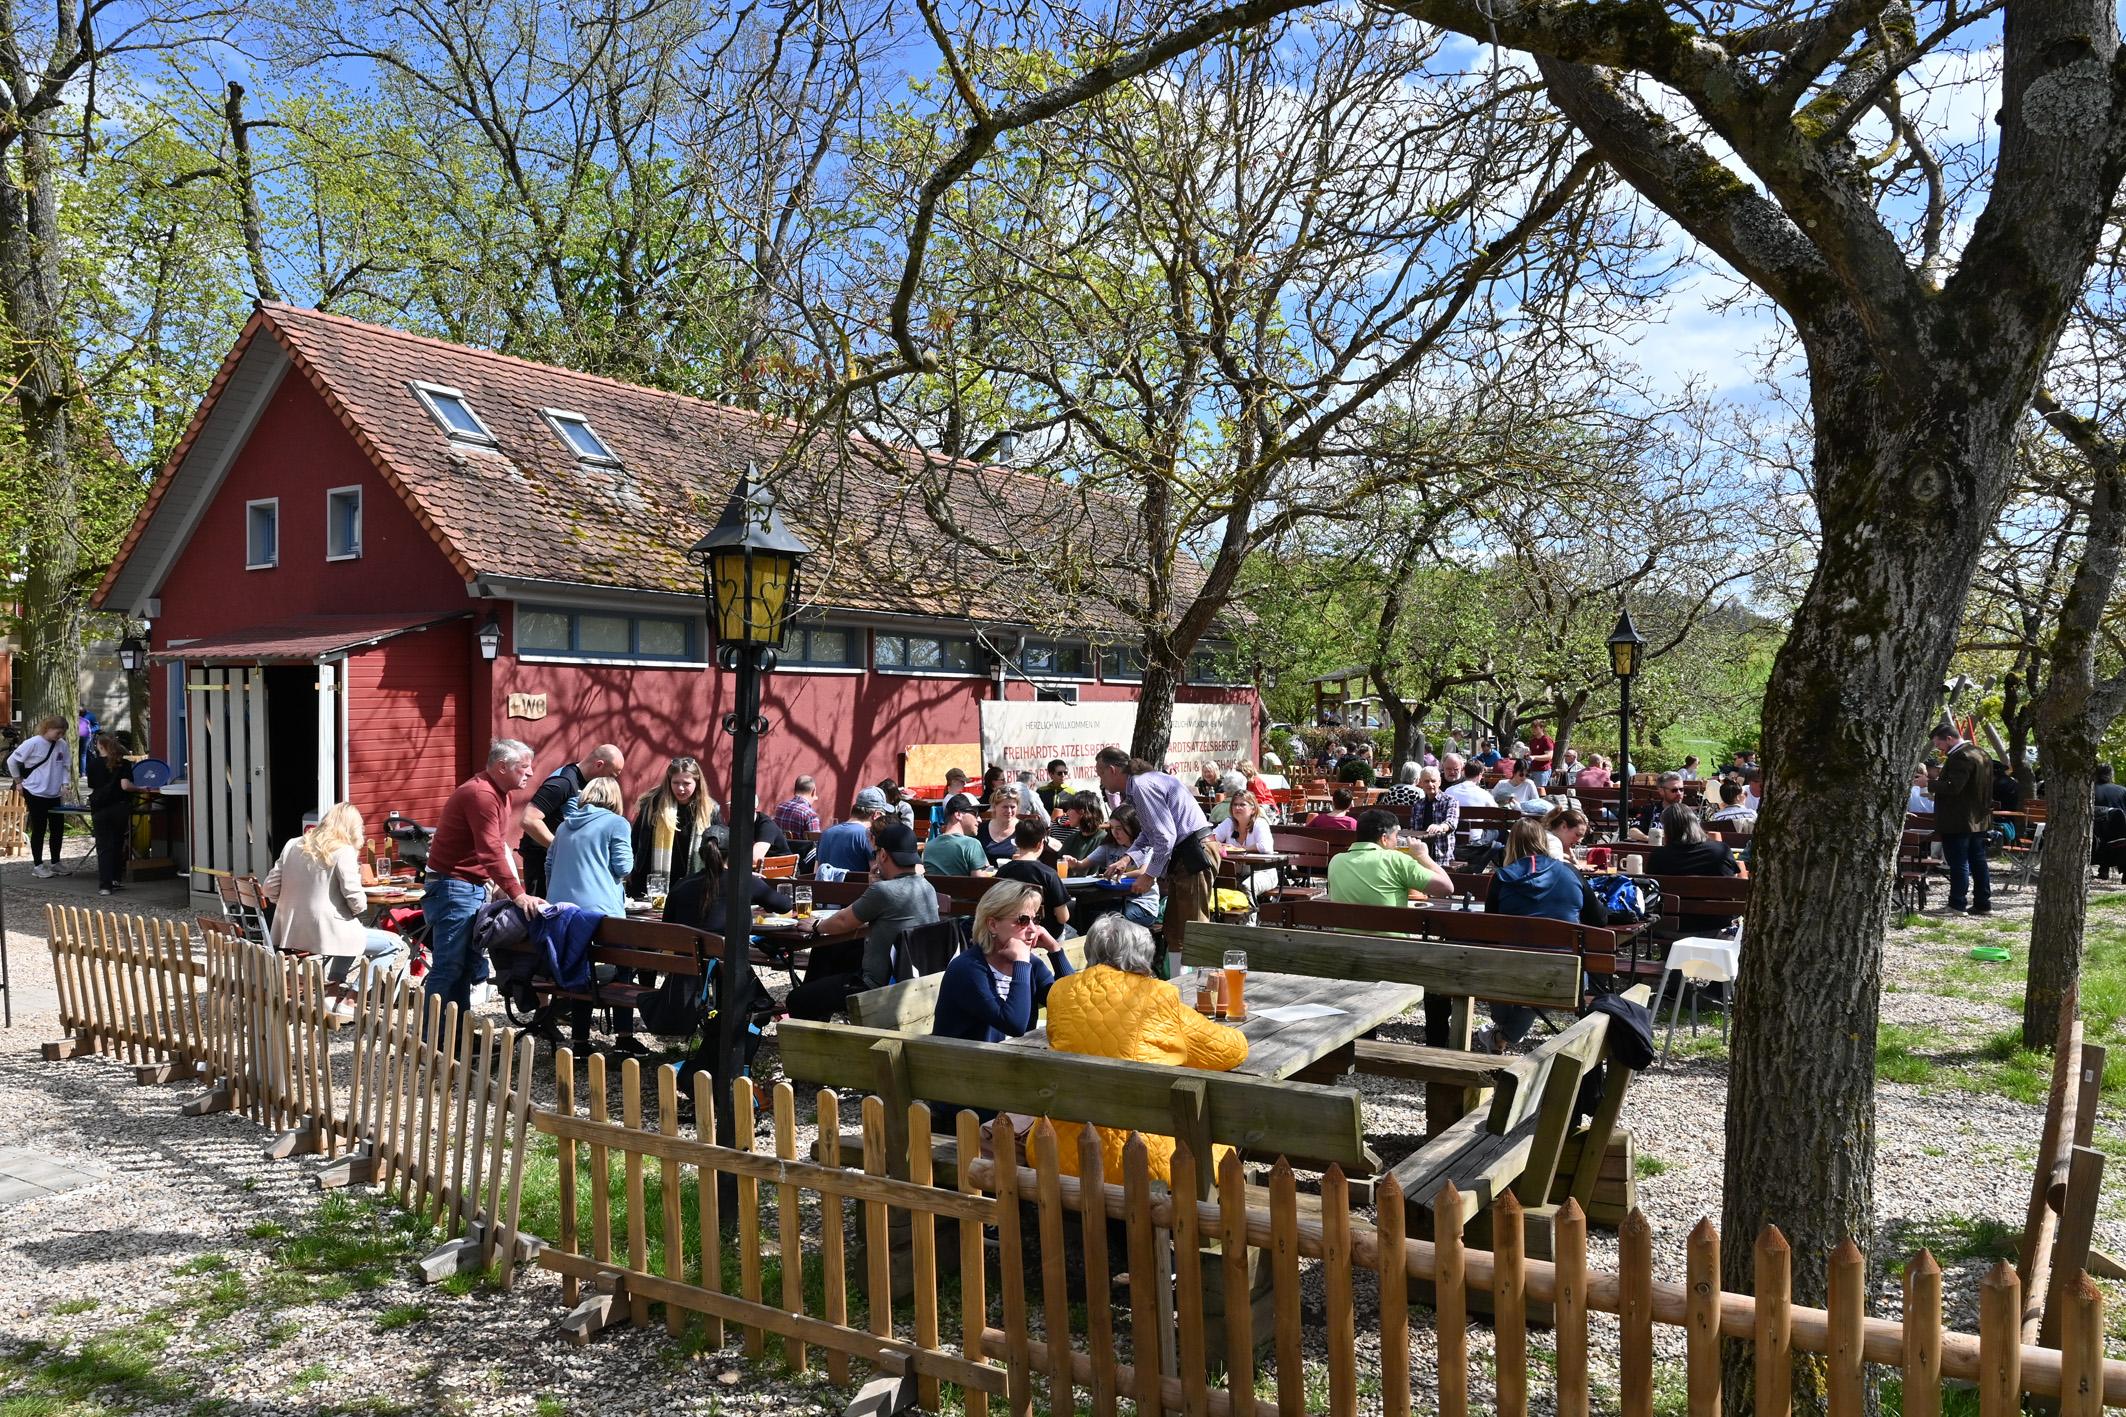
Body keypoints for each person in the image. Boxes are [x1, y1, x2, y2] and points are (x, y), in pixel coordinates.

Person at [1044, 914, 1247, 1182]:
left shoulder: (1061, 991)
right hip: (1144, 1159)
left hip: (1064, 1151)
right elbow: (1229, 1051)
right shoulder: (1157, 995)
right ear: (1142, 955)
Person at [425, 740, 545, 1011]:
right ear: (502, 767)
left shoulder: (500, 793)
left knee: (467, 964)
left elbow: (497, 847)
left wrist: (504, 885)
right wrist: (517, 893)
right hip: (453, 886)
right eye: (524, 767)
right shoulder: (481, 794)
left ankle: (456, 1036)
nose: (530, 773)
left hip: (469, 886)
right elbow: (490, 851)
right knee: (449, 964)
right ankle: (433, 1039)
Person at [1482, 817, 1609, 1050]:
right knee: (1539, 980)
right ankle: (1501, 1036)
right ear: (1543, 841)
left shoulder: (1501, 878)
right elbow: (1600, 919)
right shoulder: (1569, 872)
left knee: (1498, 963)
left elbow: (1491, 928)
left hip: (1510, 972)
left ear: (1511, 845)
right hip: (1566, 974)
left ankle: (1501, 1035)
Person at [788, 823, 939, 1018]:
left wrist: (815, 925)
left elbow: (843, 921)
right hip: (912, 977)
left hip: (876, 986)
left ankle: (819, 1044)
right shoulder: (927, 887)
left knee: (797, 999)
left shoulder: (883, 891)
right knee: (828, 950)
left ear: (883, 854)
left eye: (876, 853)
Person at [261, 801, 401, 1011]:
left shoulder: (293, 844)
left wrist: (291, 904)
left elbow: (269, 888)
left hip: (291, 931)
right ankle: (352, 998)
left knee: (350, 933)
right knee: (393, 943)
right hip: (327, 933)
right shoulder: (343, 850)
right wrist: (355, 910)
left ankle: (331, 993)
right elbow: (356, 899)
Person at [931, 880, 1075, 1045]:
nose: (1033, 930)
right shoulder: (967, 969)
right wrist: (1021, 962)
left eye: (1035, 920)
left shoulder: (1031, 965)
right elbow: (1014, 1025)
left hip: (1010, 1061)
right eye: (1023, 920)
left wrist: (1055, 950)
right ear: (993, 925)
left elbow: (1071, 1005)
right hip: (962, 1065)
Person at [519, 744, 625, 896]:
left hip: (566, 863)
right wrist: (562, 848)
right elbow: (529, 820)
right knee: (542, 913)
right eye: (612, 775)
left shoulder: (587, 782)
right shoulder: (563, 782)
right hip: (541, 862)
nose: (612, 781)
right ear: (599, 765)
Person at [663, 830, 791, 935]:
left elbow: (667, 925)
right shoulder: (745, 881)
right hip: (727, 965)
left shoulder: (681, 885)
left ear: (701, 855)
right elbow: (784, 906)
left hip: (685, 963)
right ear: (733, 853)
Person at [1326, 809, 1449, 905]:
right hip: (1390, 936)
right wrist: (1422, 856)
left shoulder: (1336, 861)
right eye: (1396, 836)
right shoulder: (1396, 860)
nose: (1397, 841)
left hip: (1343, 936)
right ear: (1384, 838)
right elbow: (1446, 887)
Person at [1932, 721, 1994, 914]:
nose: (1939, 749)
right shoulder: (1981, 753)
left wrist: (1930, 783)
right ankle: (1983, 903)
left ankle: (1957, 903)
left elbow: (1954, 787)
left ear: (1949, 739)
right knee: (1978, 861)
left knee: (1959, 863)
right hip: (1979, 819)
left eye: (1939, 744)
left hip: (1958, 819)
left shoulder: (1961, 756)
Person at [628, 756, 707, 900]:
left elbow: (718, 849)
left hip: (693, 885)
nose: (680, 788)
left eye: (686, 783)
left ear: (697, 782)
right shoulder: (652, 805)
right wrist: (631, 871)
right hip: (651, 885)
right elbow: (635, 840)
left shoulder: (709, 810)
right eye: (675, 782)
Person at [7, 715, 70, 877]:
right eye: (57, 732)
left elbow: (65, 766)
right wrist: (18, 782)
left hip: (54, 792)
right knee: (39, 828)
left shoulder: (62, 745)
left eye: (62, 733)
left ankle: (56, 862)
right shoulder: (33, 743)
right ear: (47, 729)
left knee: (58, 828)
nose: (60, 736)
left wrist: (65, 784)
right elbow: (12, 761)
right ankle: (38, 865)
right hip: (35, 792)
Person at [85, 732, 145, 895]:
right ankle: (115, 878)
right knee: (118, 843)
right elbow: (125, 786)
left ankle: (105, 885)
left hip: (99, 807)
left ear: (100, 746)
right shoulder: (122, 763)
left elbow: (92, 785)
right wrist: (139, 788)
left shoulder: (93, 764)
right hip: (119, 807)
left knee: (104, 847)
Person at [997, 818, 1071, 934]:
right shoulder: (1049, 874)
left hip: (1012, 932)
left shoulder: (1003, 871)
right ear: (1040, 844)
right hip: (1045, 934)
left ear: (1016, 842)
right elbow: (1063, 918)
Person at [1211, 789, 1279, 899]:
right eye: (1235, 805)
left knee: (1247, 886)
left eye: (1242, 804)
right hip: (1236, 874)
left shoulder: (1259, 823)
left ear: (1253, 809)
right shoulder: (1229, 822)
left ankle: (1249, 916)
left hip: (1263, 873)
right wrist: (1219, 846)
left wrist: (1241, 849)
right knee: (1216, 884)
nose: (1237, 808)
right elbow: (1211, 839)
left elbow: (1265, 847)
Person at [816, 788, 889, 874]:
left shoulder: (825, 833)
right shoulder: (869, 836)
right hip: (859, 887)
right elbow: (877, 875)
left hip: (822, 887)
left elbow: (816, 872)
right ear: (877, 815)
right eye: (884, 815)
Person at [923, 794, 994, 876]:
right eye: (976, 814)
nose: (979, 820)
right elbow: (981, 882)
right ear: (958, 815)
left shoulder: (929, 846)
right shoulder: (971, 844)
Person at [1408, 766, 1459, 861]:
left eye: (1433, 781)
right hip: (1420, 852)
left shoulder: (1450, 801)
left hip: (1441, 853)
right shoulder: (1417, 804)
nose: (1430, 784)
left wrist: (1440, 827)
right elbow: (1412, 828)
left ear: (1439, 782)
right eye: (1426, 781)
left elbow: (1451, 822)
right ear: (1421, 783)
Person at [1628, 773, 1689, 839]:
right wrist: (1652, 839)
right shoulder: (1650, 810)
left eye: (1681, 789)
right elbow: (1632, 831)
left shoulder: (1688, 813)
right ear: (1661, 791)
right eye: (1674, 790)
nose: (1679, 793)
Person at [977, 790, 1024, 863]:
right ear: (994, 806)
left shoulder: (1024, 829)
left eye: (1012, 807)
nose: (1009, 811)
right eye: (1005, 807)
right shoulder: (981, 829)